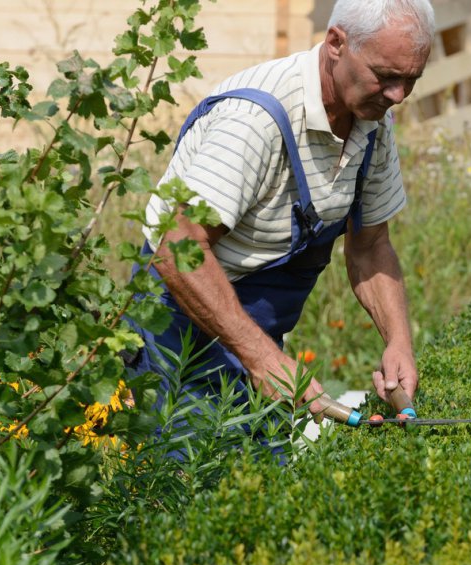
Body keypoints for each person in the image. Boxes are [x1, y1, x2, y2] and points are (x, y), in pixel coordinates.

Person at [128, 0, 435, 420]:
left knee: (261, 478)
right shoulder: (256, 120)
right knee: (187, 477)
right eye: (385, 76)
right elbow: (177, 244)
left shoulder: (372, 120)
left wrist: (398, 341)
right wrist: (263, 360)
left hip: (255, 332)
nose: (398, 95)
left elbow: (370, 246)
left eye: (410, 79)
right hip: (178, 327)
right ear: (336, 44)